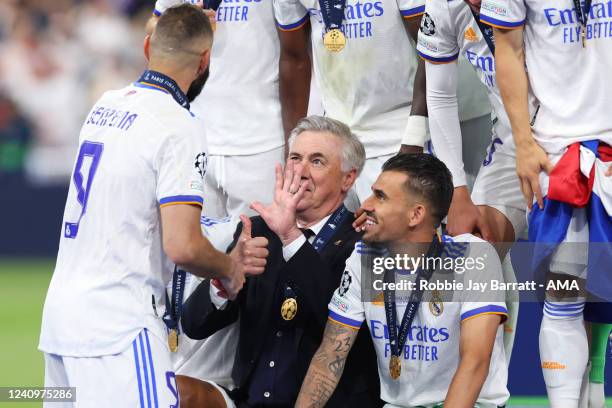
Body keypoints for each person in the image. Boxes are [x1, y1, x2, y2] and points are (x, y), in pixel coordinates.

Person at [38, 5, 264, 406]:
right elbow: (182, 246)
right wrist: (229, 267)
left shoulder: (105, 105)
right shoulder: (179, 124)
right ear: (205, 60)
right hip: (118, 326)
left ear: (147, 46)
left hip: (60, 321)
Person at [181, 116, 383, 407]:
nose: (300, 171)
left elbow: (340, 327)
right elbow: (193, 325)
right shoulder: (256, 231)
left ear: (348, 178)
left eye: (317, 161)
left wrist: (290, 236)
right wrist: (225, 276)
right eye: (295, 158)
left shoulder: (364, 240)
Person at [296, 153, 509, 408]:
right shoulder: (364, 258)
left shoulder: (473, 256)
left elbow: (474, 363)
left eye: (381, 196)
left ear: (415, 215)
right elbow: (330, 356)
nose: (366, 204)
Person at [480, 1, 612, 407]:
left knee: (602, 292)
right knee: (564, 292)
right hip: (557, 152)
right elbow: (508, 48)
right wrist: (522, 142)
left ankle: (593, 384)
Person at [415, 0, 530, 360]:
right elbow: (439, 95)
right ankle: (492, 391)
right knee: (474, 250)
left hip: (577, 138)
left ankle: (592, 382)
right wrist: (457, 192)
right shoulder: (443, 7)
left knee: (580, 268)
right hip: (512, 146)